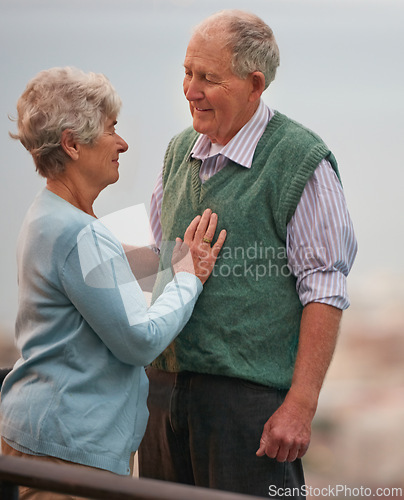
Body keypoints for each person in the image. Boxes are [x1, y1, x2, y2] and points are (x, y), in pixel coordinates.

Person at [138, 9, 357, 498]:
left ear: (254, 84)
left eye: (207, 78)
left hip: (248, 411)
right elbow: (157, 263)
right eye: (187, 72)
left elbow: (324, 288)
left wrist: (300, 405)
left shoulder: (300, 161)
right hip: (162, 398)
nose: (190, 88)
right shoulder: (177, 154)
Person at [0, 66, 226, 500]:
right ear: (71, 144)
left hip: (41, 438)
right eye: (111, 130)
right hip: (66, 453)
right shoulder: (77, 233)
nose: (122, 143)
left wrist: (166, 258)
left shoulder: (48, 214)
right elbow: (139, 341)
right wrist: (189, 278)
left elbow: (97, 267)